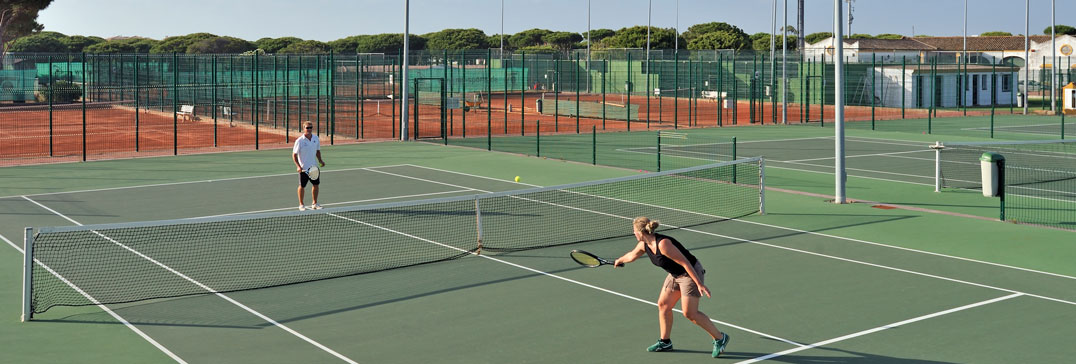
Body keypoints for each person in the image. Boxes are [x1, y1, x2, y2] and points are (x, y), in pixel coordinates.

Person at [614, 217, 729, 358]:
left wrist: (699, 283)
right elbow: (632, 256)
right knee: (663, 305)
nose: (633, 234)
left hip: (690, 273)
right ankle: (665, 342)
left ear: (641, 232)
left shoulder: (663, 244)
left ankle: (719, 338)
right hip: (675, 274)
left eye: (634, 231)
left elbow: (686, 263)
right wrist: (619, 260)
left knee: (690, 313)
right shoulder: (644, 245)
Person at [292, 121, 325, 211]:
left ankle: (315, 203)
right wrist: (298, 166)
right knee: (302, 186)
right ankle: (301, 204)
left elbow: (317, 151)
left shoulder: (315, 138)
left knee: (316, 185)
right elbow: (294, 155)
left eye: (311, 127)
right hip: (304, 168)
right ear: (303, 128)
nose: (309, 129)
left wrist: (320, 160)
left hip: (314, 168)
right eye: (307, 128)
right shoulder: (299, 141)